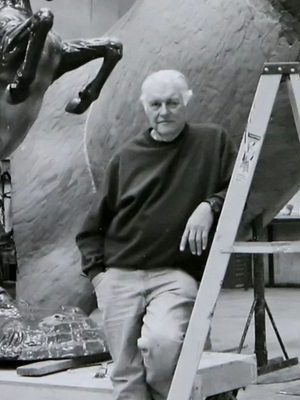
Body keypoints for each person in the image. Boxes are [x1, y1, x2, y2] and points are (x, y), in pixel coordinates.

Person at [76, 69, 237, 400]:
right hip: (118, 276)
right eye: (155, 104)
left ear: (186, 102)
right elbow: (92, 229)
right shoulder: (126, 157)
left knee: (162, 348)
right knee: (125, 375)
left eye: (172, 103)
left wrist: (210, 205)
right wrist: (99, 279)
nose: (163, 112)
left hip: (174, 276)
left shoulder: (213, 142)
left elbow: (242, 190)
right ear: (144, 107)